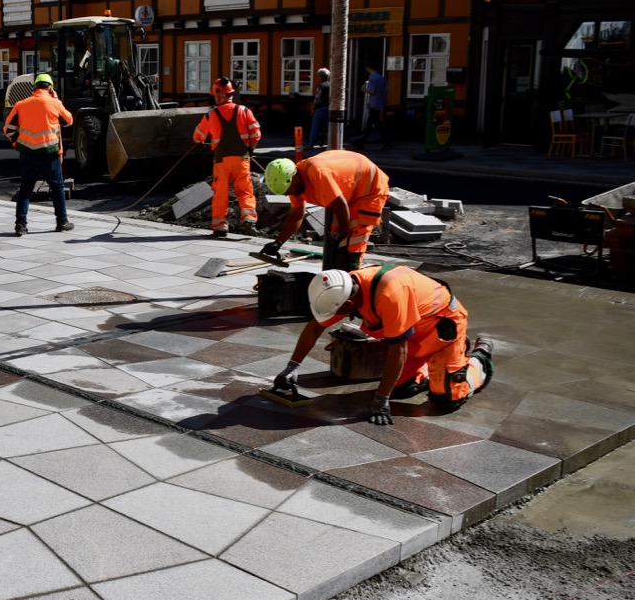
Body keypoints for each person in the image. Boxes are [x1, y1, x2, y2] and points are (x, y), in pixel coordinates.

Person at [273, 266, 495, 425]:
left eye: (340, 312)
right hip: (412, 331)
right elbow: (315, 327)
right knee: (401, 389)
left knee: (446, 398)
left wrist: (381, 401)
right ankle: (433, 366)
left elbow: (398, 351)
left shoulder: (390, 295)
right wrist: (292, 366)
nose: (338, 317)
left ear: (349, 303)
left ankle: (478, 358)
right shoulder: (343, 287)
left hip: (442, 329)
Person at [261, 149, 390, 271]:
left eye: (287, 191)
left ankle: (352, 280)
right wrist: (278, 242)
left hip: (370, 190)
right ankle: (338, 276)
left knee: (352, 242)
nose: (287, 195)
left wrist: (343, 234)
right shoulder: (294, 183)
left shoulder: (317, 174)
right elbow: (296, 214)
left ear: (294, 178)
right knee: (337, 241)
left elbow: (340, 204)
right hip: (350, 193)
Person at [4, 73, 74, 235]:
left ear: (34, 88)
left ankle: (21, 225)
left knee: (25, 189)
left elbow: (8, 129)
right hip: (49, 155)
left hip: (27, 154)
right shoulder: (54, 103)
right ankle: (61, 222)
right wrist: (57, 100)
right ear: (50, 88)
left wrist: (18, 144)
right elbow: (69, 120)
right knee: (57, 187)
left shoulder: (21, 104)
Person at [191, 77, 261, 237]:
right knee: (245, 190)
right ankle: (249, 219)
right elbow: (256, 134)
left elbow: (198, 136)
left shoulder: (211, 115)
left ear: (218, 96)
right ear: (231, 94)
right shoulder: (244, 111)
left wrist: (201, 140)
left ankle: (220, 225)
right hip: (242, 159)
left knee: (220, 192)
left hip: (221, 160)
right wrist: (250, 149)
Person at [357, 62, 391, 148]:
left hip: (374, 103)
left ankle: (363, 143)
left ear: (369, 68)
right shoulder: (382, 78)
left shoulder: (372, 78)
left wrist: (364, 90)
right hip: (380, 102)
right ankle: (363, 142)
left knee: (371, 124)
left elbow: (372, 91)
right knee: (375, 124)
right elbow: (386, 90)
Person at [309, 67, 331, 149]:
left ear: (320, 76)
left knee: (315, 127)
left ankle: (311, 144)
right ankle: (331, 143)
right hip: (329, 108)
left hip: (320, 108)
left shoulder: (320, 86)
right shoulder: (331, 85)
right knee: (329, 127)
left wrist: (312, 107)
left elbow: (317, 98)